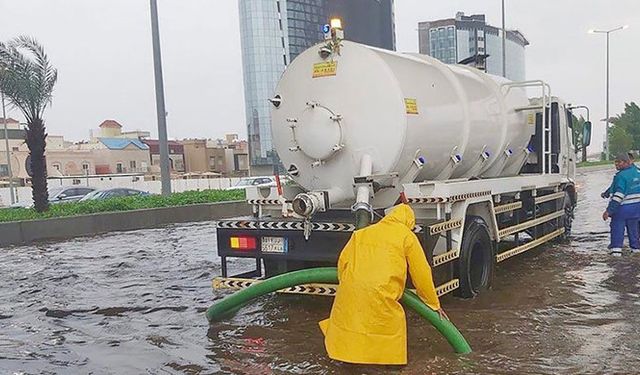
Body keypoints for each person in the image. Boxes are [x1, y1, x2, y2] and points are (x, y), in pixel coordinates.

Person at [319, 204, 447, 365]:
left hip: (352, 289)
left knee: (349, 320)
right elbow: (421, 272)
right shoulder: (406, 235)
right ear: (409, 222)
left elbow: (343, 262)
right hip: (382, 292)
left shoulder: (362, 233)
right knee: (388, 325)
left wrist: (349, 283)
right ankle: (388, 364)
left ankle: (347, 358)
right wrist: (433, 303)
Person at [602, 153, 640, 256]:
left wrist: (609, 211)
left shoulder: (621, 175)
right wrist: (606, 193)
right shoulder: (637, 172)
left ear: (628, 162)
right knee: (634, 233)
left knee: (617, 230)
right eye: (615, 162)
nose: (616, 164)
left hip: (622, 210)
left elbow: (619, 195)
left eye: (619, 162)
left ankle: (616, 254)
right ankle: (636, 252)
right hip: (636, 211)